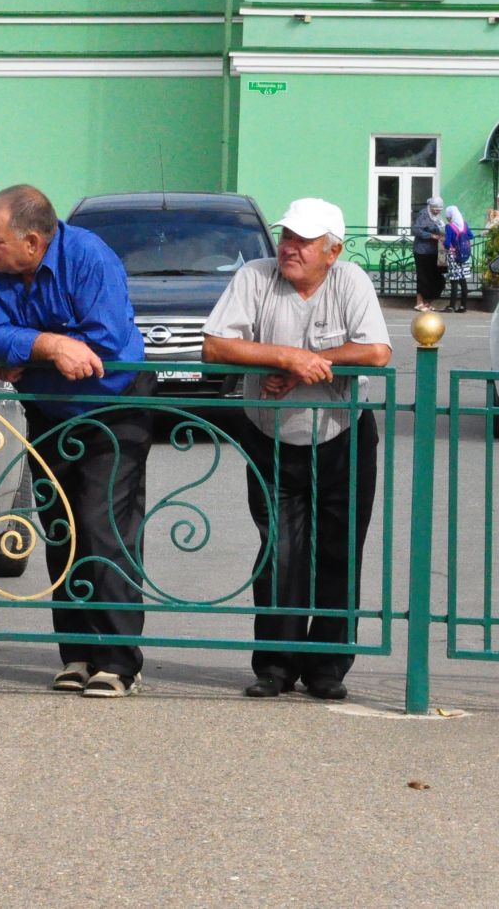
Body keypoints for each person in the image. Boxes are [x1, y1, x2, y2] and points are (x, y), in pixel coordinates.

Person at [201, 197, 391, 701]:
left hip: (342, 435)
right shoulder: (256, 278)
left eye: (304, 242)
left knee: (339, 549)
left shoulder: (350, 280)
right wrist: (285, 357)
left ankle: (328, 667)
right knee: (281, 551)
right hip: (271, 437)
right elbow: (216, 345)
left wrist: (308, 363)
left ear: (333, 251)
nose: (290, 249)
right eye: (287, 238)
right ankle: (275, 665)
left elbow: (375, 351)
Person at [0, 183, 151, 699]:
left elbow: (106, 346)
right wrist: (52, 342)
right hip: (49, 410)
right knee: (61, 528)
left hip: (113, 408)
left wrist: (27, 349)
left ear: (32, 242)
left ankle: (119, 663)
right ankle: (76, 652)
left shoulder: (90, 257)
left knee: (103, 526)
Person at [411, 195, 445, 311]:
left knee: (433, 278)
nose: (437, 212)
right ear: (431, 207)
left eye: (439, 210)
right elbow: (415, 230)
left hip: (433, 251)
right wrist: (431, 235)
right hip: (422, 251)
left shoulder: (437, 217)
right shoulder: (423, 215)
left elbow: (439, 228)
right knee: (423, 277)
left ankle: (428, 302)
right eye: (436, 209)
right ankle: (419, 302)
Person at [442, 204, 474, 313]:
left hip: (453, 255)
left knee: (454, 281)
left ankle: (451, 306)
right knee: (463, 280)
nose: (447, 218)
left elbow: (447, 243)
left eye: (447, 216)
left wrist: (445, 242)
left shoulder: (449, 226)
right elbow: (471, 236)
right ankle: (463, 306)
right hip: (464, 256)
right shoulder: (464, 224)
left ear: (450, 216)